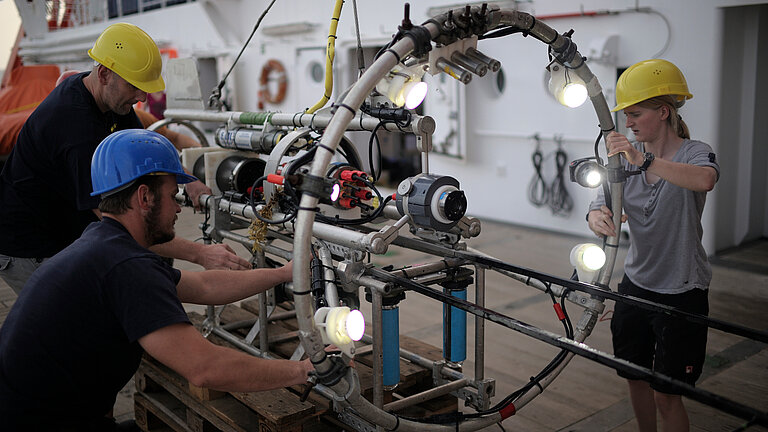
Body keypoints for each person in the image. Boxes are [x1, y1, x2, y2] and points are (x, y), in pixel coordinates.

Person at [0, 129, 313, 430]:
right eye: (173, 195)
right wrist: (306, 371)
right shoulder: (126, 266)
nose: (179, 207)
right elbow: (204, 368)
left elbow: (204, 286)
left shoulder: (105, 244)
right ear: (144, 197)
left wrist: (285, 272)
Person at [0, 23, 249, 295]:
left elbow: (145, 149)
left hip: (67, 230)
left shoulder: (108, 98)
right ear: (105, 73)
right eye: (135, 87)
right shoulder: (75, 128)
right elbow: (119, 221)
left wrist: (187, 179)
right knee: (75, 322)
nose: (143, 97)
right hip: (29, 245)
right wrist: (200, 253)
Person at [587, 59, 718, 432]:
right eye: (625, 115)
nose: (627, 122)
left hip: (682, 290)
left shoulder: (694, 152)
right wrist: (596, 217)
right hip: (635, 286)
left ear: (663, 112)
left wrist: (643, 161)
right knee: (635, 377)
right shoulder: (623, 161)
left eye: (635, 113)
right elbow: (600, 205)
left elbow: (704, 181)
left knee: (667, 394)